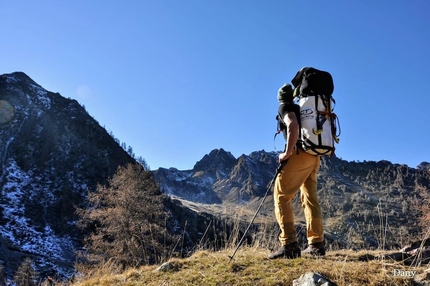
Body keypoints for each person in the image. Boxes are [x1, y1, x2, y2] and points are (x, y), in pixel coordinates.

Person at [268, 83, 325, 259]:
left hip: (299, 154)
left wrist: (287, 152)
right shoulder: (305, 108)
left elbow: (292, 125)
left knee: (281, 195)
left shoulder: (285, 107)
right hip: (314, 156)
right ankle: (316, 244)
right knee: (309, 197)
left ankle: (289, 245)